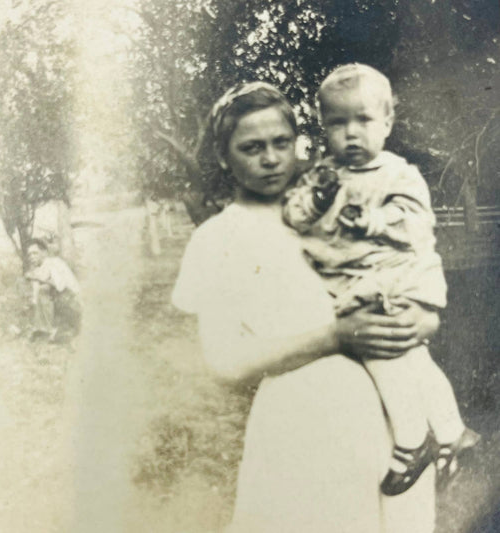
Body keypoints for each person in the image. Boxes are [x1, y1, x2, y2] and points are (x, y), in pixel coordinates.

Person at [172, 81, 441, 532]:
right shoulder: (217, 238)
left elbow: (408, 273)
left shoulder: (340, 203)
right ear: (224, 156)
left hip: (394, 425)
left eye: (281, 142)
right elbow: (225, 362)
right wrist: (335, 337)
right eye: (251, 147)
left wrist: (423, 319)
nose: (271, 158)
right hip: (302, 426)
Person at [283, 64, 479, 495]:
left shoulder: (398, 174)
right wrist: (315, 202)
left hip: (394, 278)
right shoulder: (323, 174)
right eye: (337, 122)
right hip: (355, 278)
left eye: (363, 120)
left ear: (387, 122)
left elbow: (415, 224)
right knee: (416, 358)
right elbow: (293, 215)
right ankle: (451, 430)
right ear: (323, 127)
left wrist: (374, 219)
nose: (351, 133)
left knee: (381, 347)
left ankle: (412, 439)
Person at [25, 238, 81, 342]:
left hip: (72, 302)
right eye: (29, 255)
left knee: (44, 289)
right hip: (59, 305)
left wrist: (37, 278)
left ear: (44, 252)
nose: (31, 257)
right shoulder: (37, 270)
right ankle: (48, 330)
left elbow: (60, 286)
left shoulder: (54, 262)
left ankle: (55, 330)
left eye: (35, 253)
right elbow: (35, 300)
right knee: (42, 292)